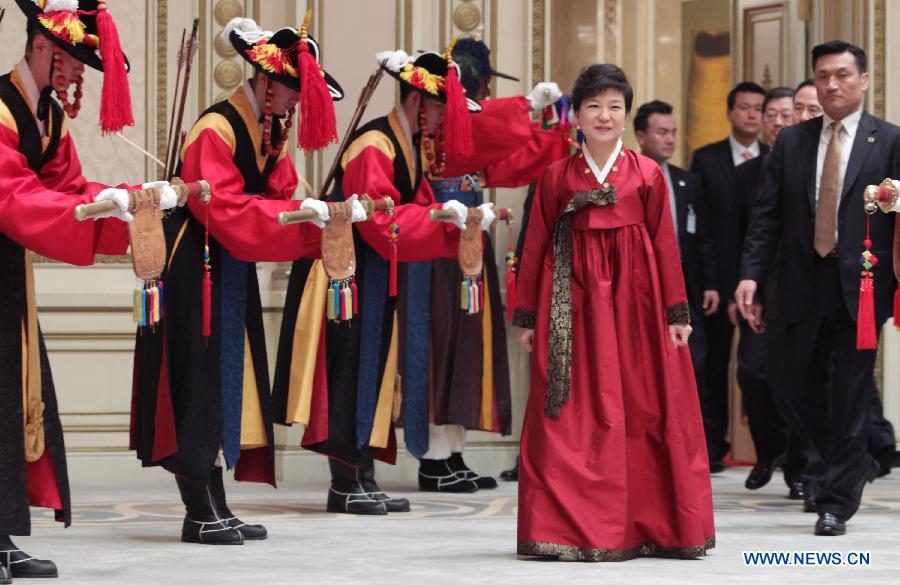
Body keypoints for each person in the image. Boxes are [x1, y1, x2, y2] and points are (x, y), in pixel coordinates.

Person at [130, 16, 353, 544]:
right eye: (295, 90)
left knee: (229, 376)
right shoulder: (218, 127)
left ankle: (215, 501)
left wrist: (314, 215)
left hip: (227, 261)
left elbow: (279, 194)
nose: (299, 101)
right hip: (195, 262)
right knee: (200, 378)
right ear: (267, 82)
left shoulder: (268, 130)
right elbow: (223, 207)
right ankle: (198, 508)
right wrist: (295, 222)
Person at [272, 44, 492, 514]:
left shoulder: (405, 143)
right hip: (346, 270)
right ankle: (346, 482)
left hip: (373, 270)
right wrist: (437, 218)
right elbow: (380, 219)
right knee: (349, 371)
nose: (441, 119)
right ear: (417, 101)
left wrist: (452, 219)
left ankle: (362, 475)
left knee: (370, 370)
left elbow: (411, 208)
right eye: (439, 108)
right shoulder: (377, 143)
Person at [1, 0, 175, 577]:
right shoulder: (1, 111)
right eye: (75, 61)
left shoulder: (45, 116)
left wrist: (132, 202)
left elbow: (69, 187)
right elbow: (16, 197)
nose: (80, 75)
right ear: (43, 46)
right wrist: (93, 206)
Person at [514, 64, 714, 561]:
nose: (604, 116)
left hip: (637, 304)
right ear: (576, 115)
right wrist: (525, 317)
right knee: (570, 415)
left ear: (626, 116)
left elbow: (666, 246)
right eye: (593, 106)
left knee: (644, 404)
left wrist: (676, 312)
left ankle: (652, 522)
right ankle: (566, 527)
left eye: (614, 107)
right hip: (572, 304)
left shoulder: (646, 173)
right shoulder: (555, 176)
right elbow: (536, 245)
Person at [736, 41, 899, 536]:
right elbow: (767, 217)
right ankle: (850, 460)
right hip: (797, 283)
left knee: (850, 393)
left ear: (864, 81)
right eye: (823, 75)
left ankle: (835, 501)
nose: (831, 84)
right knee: (782, 382)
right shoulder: (792, 141)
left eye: (842, 75)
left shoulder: (889, 141)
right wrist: (750, 275)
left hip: (862, 287)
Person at [417, 38, 569, 492]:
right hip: (437, 246)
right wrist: (527, 106)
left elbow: (515, 161)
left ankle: (453, 451)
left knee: (464, 348)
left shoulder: (468, 134)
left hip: (467, 247)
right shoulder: (441, 130)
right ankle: (433, 457)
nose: (483, 97)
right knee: (441, 346)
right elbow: (492, 130)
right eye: (481, 87)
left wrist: (556, 130)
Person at [690, 81, 768, 472]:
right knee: (713, 366)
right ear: (730, 111)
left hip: (766, 287)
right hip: (719, 284)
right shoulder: (706, 159)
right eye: (745, 107)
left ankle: (776, 447)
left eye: (759, 108)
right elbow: (701, 227)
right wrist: (712, 283)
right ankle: (713, 445)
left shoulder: (778, 158)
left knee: (764, 369)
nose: (752, 114)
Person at [634, 100, 718, 447]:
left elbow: (704, 237)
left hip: (684, 284)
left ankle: (691, 440)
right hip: (640, 284)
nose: (669, 140)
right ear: (641, 136)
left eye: (673, 133)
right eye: (661, 133)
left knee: (693, 360)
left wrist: (711, 283)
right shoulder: (629, 177)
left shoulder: (687, 181)